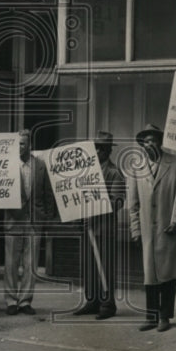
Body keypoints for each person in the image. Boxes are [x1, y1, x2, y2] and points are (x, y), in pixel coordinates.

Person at [126, 124, 176, 332]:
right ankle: (151, 316)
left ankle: (165, 316)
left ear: (160, 142)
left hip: (167, 227)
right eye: (145, 141)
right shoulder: (136, 167)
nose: (149, 144)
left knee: (167, 274)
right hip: (147, 231)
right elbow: (133, 203)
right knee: (150, 275)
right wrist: (135, 230)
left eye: (153, 139)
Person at [4, 129, 57, 315]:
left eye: (22, 144)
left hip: (35, 220)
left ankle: (25, 301)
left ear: (30, 145)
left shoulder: (41, 166)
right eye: (16, 144)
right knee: (11, 263)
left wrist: (48, 219)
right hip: (13, 220)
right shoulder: (7, 166)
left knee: (31, 264)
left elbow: (48, 195)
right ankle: (11, 301)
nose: (19, 147)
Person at [75, 131, 125, 320]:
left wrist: (95, 205)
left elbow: (119, 201)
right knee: (89, 266)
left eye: (101, 148)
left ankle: (107, 304)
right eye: (95, 147)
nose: (97, 151)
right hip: (88, 228)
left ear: (108, 151)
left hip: (105, 229)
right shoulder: (86, 172)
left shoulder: (114, 173)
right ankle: (92, 301)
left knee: (106, 267)